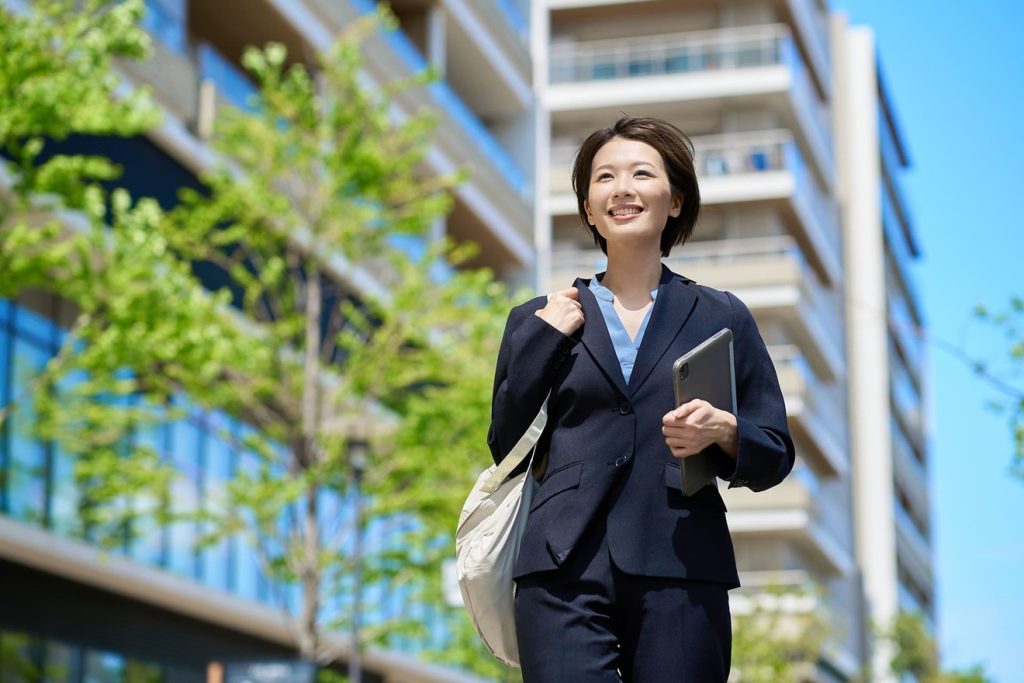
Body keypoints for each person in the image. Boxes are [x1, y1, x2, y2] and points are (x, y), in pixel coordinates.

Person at [487, 116, 795, 682]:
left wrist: (723, 432)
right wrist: (543, 341)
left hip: (682, 563)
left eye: (640, 173)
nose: (621, 188)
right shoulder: (538, 317)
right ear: (587, 209)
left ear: (674, 201)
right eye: (603, 178)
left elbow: (775, 451)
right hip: (561, 566)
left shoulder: (721, 314)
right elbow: (503, 442)